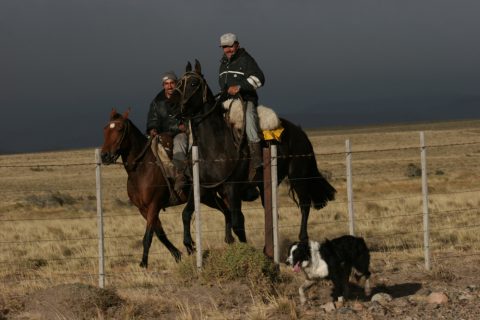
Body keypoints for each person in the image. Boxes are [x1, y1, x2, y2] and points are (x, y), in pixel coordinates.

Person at [218, 33, 265, 181]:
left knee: (249, 120)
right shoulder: (223, 63)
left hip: (245, 100)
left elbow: (259, 79)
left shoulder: (246, 59)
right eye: (225, 47)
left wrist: (239, 87)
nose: (228, 49)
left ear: (236, 45)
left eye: (230, 46)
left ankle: (257, 159)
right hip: (227, 102)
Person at [146, 71, 188, 201]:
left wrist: (184, 126)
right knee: (153, 146)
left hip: (181, 134)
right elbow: (152, 119)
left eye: (172, 83)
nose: (169, 86)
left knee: (180, 142)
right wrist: (152, 129)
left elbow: (190, 116)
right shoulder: (156, 102)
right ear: (163, 85)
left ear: (176, 84)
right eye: (166, 84)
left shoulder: (184, 98)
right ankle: (170, 177)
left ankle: (180, 174)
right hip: (163, 134)